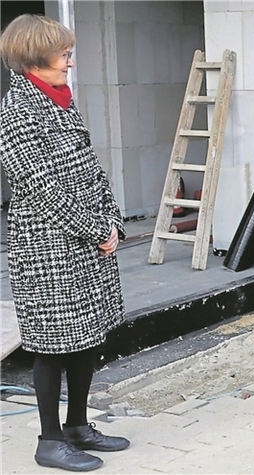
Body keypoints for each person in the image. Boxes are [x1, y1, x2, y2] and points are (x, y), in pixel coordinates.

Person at [0, 14, 131, 472]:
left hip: (85, 239)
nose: (71, 62)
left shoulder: (59, 101)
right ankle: (49, 440)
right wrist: (97, 230)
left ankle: (78, 426)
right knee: (52, 344)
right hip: (47, 246)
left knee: (85, 337)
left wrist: (112, 220)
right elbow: (38, 186)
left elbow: (89, 169)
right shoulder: (18, 110)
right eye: (65, 54)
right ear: (37, 57)